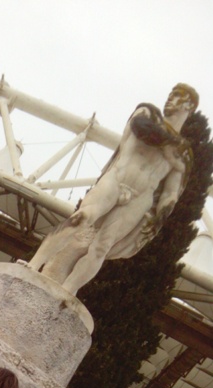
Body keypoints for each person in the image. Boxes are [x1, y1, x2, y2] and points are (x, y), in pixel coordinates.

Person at [37, 84, 199, 296]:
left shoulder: (185, 156)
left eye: (177, 96)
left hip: (140, 198)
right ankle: (34, 265)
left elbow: (171, 193)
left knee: (101, 247)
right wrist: (174, 146)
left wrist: (157, 220)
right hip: (117, 179)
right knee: (81, 218)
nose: (170, 99)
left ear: (188, 106)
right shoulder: (148, 113)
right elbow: (143, 130)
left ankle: (67, 292)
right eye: (170, 94)